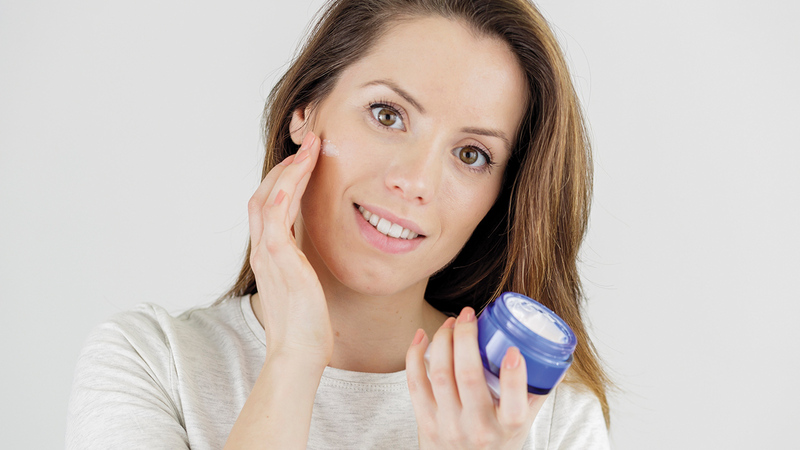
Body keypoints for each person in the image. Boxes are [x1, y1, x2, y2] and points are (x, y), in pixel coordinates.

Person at [66, 0, 611, 448]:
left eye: (471, 154)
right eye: (387, 115)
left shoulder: (548, 421)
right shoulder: (152, 363)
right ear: (305, 111)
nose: (415, 181)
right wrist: (294, 358)